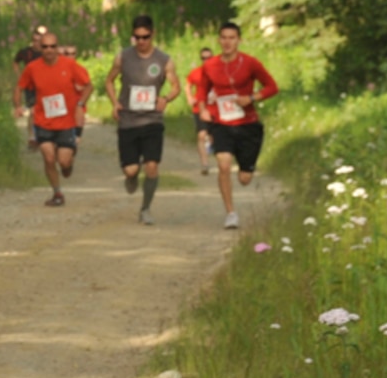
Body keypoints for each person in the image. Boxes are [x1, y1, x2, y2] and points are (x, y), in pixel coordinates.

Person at [196, 22, 279, 229]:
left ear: (239, 40)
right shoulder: (210, 65)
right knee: (223, 165)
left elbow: (272, 87)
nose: (227, 42)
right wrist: (203, 108)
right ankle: (230, 213)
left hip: (247, 124)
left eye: (232, 38)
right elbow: (202, 90)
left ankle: (248, 166)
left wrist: (252, 97)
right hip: (222, 123)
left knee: (244, 178)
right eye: (223, 37)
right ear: (218, 40)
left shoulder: (251, 63)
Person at [104, 15, 180, 225]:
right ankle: (131, 176)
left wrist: (166, 98)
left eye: (145, 37)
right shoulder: (123, 57)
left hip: (152, 121)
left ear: (152, 35)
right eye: (137, 37)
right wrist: (114, 103)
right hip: (128, 119)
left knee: (152, 166)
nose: (141, 42)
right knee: (131, 169)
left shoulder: (164, 60)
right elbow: (109, 81)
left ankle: (145, 208)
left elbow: (176, 86)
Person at [13, 29, 91, 206]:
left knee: (62, 161)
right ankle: (57, 193)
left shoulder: (69, 66)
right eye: (45, 46)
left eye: (52, 46)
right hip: (43, 122)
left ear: (57, 48)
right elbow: (20, 86)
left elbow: (88, 86)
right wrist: (18, 106)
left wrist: (80, 105)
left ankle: (67, 164)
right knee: (48, 157)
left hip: (66, 123)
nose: (48, 50)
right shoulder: (32, 68)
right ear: (40, 48)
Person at [186, 46, 216, 174]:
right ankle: (204, 164)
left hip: (215, 109)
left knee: (213, 136)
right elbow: (188, 85)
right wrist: (190, 97)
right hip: (199, 108)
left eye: (209, 58)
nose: (206, 61)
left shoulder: (219, 72)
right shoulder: (196, 72)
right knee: (201, 135)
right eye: (203, 58)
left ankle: (213, 149)